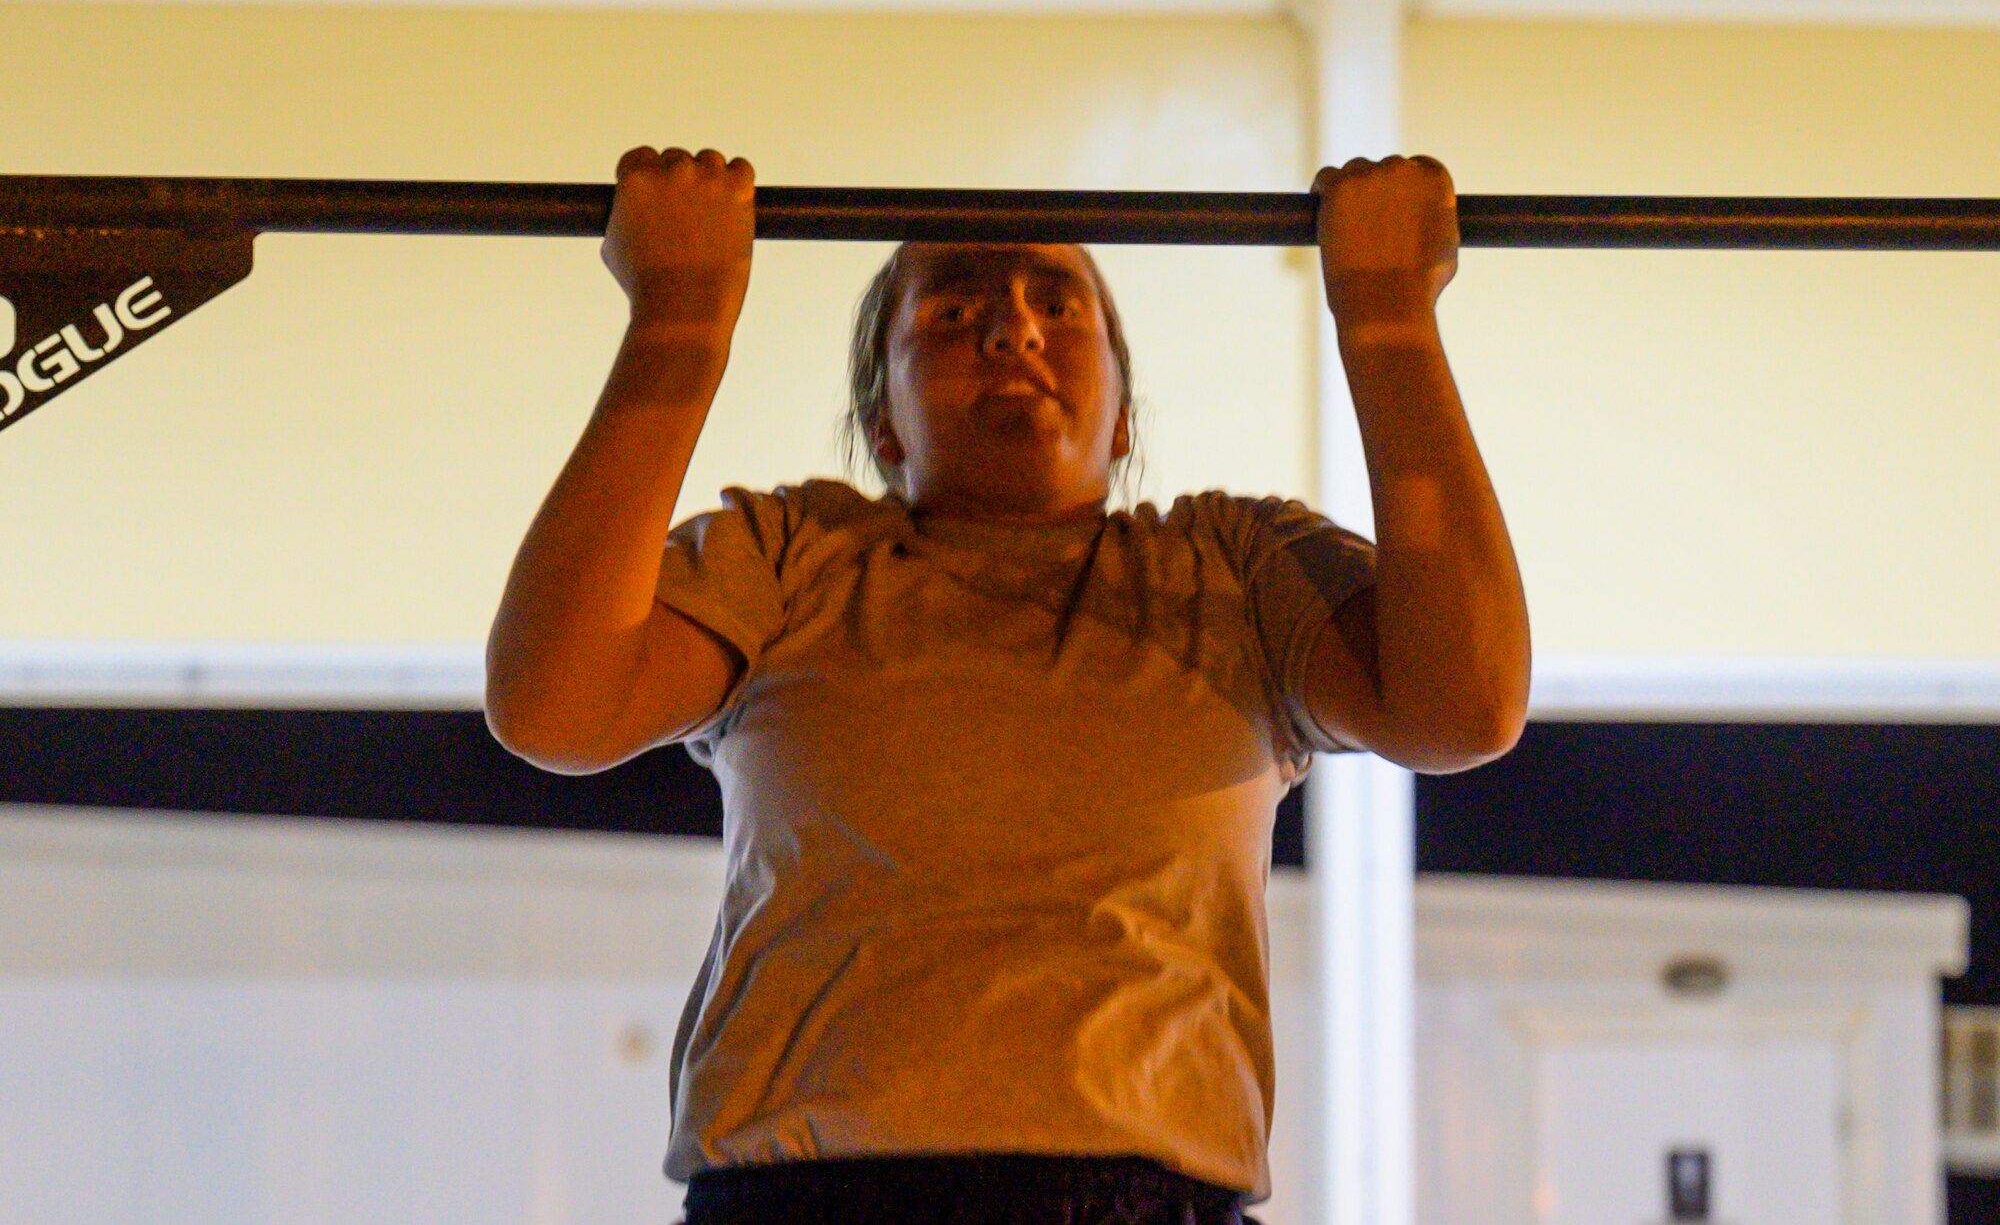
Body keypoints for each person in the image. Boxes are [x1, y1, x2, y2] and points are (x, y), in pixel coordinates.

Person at [484, 145, 1531, 1225]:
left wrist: (1389, 324)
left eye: (1057, 305)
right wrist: (677, 323)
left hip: (1148, 1195)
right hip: (807, 1197)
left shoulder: (1229, 566)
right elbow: (555, 706)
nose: (1011, 329)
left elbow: (1462, 706)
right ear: (882, 422)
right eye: (949, 313)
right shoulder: (797, 555)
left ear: (1125, 417)